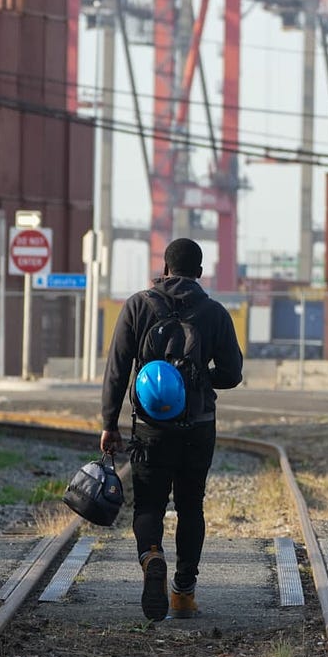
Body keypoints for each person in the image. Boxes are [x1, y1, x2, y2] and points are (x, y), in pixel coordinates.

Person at [100, 238, 244, 621]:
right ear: (199, 272)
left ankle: (151, 558)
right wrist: (198, 380)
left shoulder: (137, 305)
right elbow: (232, 374)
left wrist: (109, 423)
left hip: (150, 428)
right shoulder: (214, 313)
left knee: (148, 504)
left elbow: (116, 370)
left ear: (164, 269)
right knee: (190, 506)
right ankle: (183, 592)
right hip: (198, 426)